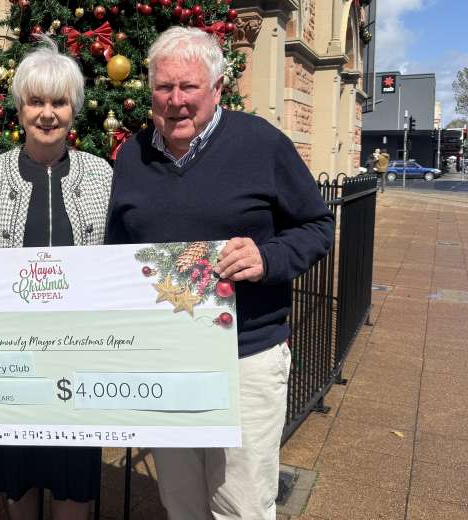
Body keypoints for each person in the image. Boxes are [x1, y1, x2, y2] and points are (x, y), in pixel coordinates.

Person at [105, 27, 334, 520]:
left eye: (188, 87)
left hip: (245, 356)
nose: (176, 101)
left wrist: (268, 258)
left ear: (216, 88)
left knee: (241, 506)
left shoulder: (262, 144)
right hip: (168, 359)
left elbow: (318, 225)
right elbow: (117, 251)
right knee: (181, 503)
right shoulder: (131, 156)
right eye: (164, 88)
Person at [0, 35, 112, 520]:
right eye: (37, 101)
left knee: (73, 484)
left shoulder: (101, 173)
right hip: (11, 359)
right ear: (20, 108)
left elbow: (113, 263)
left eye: (59, 102)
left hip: (77, 357)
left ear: (74, 109)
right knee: (16, 475)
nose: (48, 113)